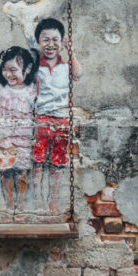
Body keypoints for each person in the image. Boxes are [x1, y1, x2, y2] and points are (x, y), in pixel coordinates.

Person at [29, 18, 83, 213]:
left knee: (58, 160)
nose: (50, 45)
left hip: (62, 119)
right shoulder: (36, 68)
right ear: (37, 43)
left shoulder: (66, 66)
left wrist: (71, 51)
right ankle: (38, 198)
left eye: (55, 40)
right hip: (41, 117)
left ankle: (53, 199)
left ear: (62, 43)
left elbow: (78, 74)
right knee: (38, 159)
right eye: (45, 40)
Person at [0, 45, 38, 212]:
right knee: (6, 172)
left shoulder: (31, 89)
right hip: (4, 138)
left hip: (24, 139)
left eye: (13, 70)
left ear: (26, 70)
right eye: (5, 70)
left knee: (22, 173)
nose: (8, 74)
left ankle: (20, 205)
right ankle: (9, 205)